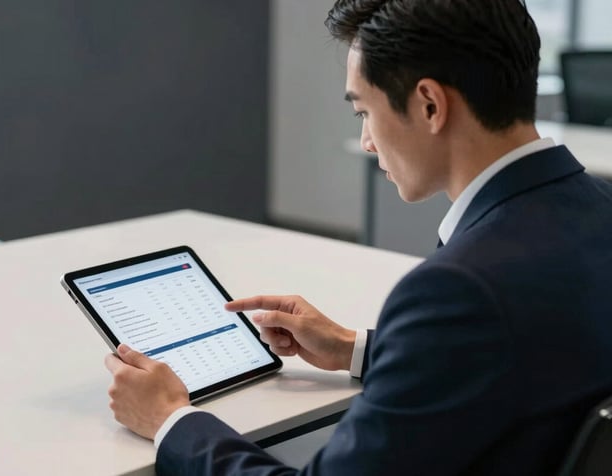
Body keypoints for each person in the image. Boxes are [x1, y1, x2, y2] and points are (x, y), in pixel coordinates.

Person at [104, 0, 612, 474]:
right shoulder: (595, 208)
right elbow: (523, 359)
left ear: (431, 105)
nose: (367, 142)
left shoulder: (461, 290)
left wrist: (171, 420)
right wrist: (355, 348)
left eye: (364, 111)